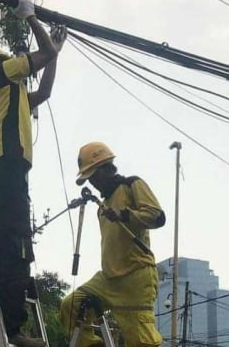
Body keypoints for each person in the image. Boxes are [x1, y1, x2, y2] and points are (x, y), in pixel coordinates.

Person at [0, 0, 67, 347]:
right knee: (16, 246)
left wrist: (54, 50)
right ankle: (14, 329)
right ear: (2, 63)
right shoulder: (2, 74)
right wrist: (31, 19)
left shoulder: (6, 92)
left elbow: (46, 90)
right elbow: (45, 54)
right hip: (5, 173)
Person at [60, 142, 166, 347]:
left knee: (141, 342)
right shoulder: (102, 207)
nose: (92, 182)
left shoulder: (131, 185)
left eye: (94, 175)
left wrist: (125, 215)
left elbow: (157, 216)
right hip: (108, 279)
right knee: (70, 306)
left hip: (136, 277)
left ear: (107, 167)